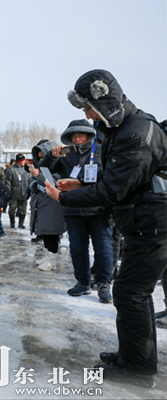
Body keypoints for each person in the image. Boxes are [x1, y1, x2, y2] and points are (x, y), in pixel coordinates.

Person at [46, 69, 167, 387]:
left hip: (154, 224)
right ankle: (134, 354)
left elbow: (116, 189)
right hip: (142, 222)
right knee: (134, 293)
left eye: (88, 108)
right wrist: (78, 182)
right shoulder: (122, 128)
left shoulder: (137, 132)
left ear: (105, 101)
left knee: (130, 293)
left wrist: (63, 197)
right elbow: (115, 177)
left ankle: (138, 369)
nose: (87, 116)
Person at [40, 119, 114, 303]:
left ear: (89, 135)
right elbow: (43, 168)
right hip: (73, 209)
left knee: (104, 249)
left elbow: (110, 177)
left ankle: (104, 283)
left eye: (80, 135)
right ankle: (83, 282)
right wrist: (51, 156)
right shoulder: (65, 156)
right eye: (73, 136)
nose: (77, 138)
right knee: (77, 249)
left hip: (99, 209)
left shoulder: (102, 151)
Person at [28, 140, 66, 271]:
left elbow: (53, 183)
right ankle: (48, 256)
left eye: (43, 156)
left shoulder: (58, 167)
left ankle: (52, 259)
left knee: (51, 233)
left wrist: (38, 178)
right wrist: (34, 184)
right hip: (42, 204)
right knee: (45, 233)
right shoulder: (39, 168)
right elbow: (33, 183)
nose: (41, 159)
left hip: (52, 205)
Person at [4, 153, 30, 229]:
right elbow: (8, 182)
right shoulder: (11, 169)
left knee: (23, 210)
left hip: (24, 193)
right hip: (13, 193)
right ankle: (12, 223)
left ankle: (21, 224)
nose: (24, 162)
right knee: (12, 209)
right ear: (18, 161)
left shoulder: (26, 169)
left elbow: (30, 180)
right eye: (22, 160)